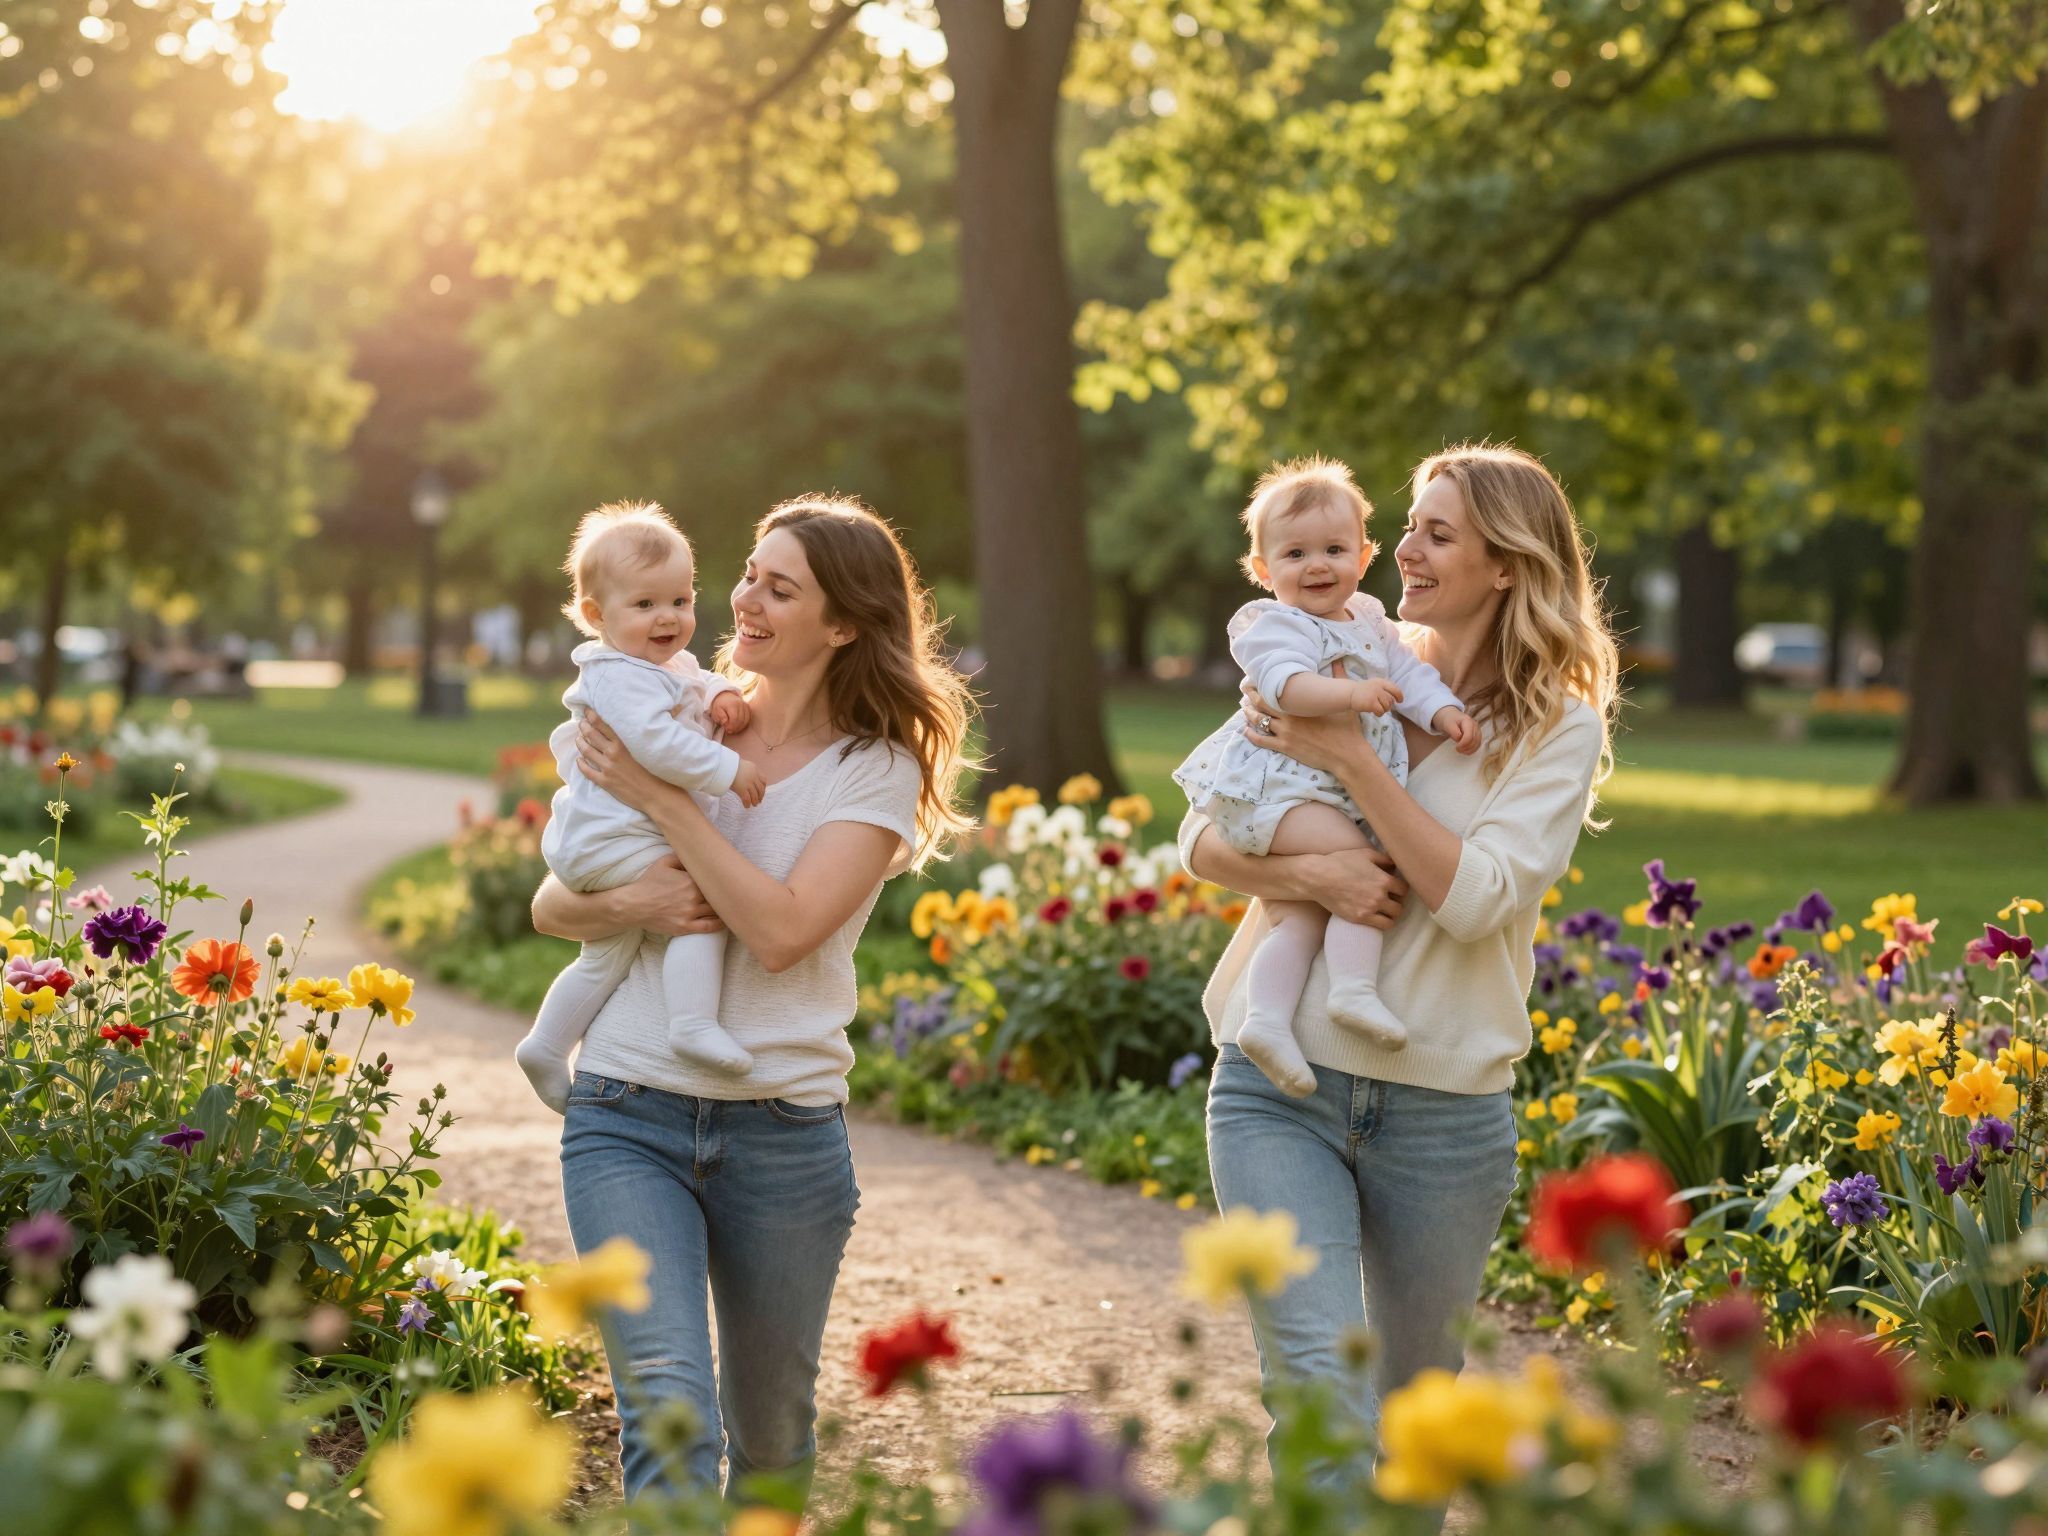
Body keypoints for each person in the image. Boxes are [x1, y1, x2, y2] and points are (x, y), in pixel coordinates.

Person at [1179, 443, 1620, 1487]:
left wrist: (1342, 763)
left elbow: (1473, 900)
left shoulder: (1553, 728)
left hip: (1441, 1112)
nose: (1404, 549)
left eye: (1433, 532)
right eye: (1409, 527)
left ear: (1504, 563)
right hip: (1274, 1088)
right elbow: (1198, 841)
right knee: (1319, 1400)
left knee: (1411, 1424)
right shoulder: (1332, 647)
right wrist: (1323, 877)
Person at [530, 494, 973, 1501]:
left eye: (781, 588)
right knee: (670, 1416)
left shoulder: (873, 771)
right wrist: (628, 892)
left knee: (770, 1441)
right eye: (746, 576)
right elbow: (553, 903)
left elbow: (778, 932)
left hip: (782, 1131)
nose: (744, 601)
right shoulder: (675, 701)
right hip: (625, 1112)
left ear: (844, 623)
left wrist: (662, 806)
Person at [1173, 457, 1478, 1096]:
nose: (1317, 565)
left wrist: (1444, 709)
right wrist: (1349, 698)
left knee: (1298, 919)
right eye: (1295, 553)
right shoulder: (1273, 625)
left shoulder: (1370, 621)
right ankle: (1354, 990)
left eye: (1334, 549)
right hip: (1279, 789)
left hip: (1309, 790)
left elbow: (1410, 677)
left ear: (1363, 558)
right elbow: (1283, 686)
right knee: (1360, 863)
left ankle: (1266, 1022)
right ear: (1262, 571)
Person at [515, 502, 767, 1113]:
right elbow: (656, 745)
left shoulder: (658, 664)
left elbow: (691, 679)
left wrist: (723, 689)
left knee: (607, 954)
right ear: (596, 616)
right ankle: (691, 1022)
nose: (669, 619)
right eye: (646, 605)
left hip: (609, 836)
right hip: (616, 838)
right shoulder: (616, 677)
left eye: (680, 601)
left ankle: (546, 1045)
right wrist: (728, 769)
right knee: (698, 899)